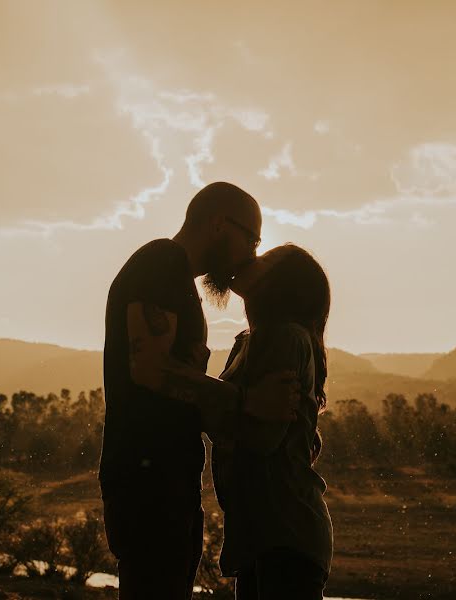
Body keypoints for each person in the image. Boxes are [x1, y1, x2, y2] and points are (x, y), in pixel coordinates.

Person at [99, 182, 301, 600]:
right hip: (147, 484)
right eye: (252, 238)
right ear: (219, 224)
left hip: (164, 479)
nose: (251, 253)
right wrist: (248, 402)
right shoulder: (160, 261)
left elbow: (176, 385)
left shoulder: (175, 279)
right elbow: (151, 369)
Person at [211, 243, 334, 600]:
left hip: (284, 534)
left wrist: (209, 410)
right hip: (269, 535)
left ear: (279, 285)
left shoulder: (284, 336)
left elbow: (263, 437)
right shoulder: (252, 340)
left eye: (265, 260)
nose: (251, 259)